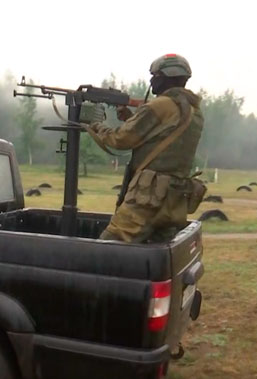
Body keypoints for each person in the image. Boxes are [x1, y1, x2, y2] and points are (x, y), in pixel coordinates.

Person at [86, 53, 204, 243]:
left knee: (109, 246)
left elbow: (121, 139)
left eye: (155, 75)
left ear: (165, 77)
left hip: (147, 198)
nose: (151, 80)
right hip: (173, 199)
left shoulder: (159, 106)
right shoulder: (193, 111)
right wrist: (133, 117)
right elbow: (163, 140)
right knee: (157, 251)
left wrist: (97, 126)